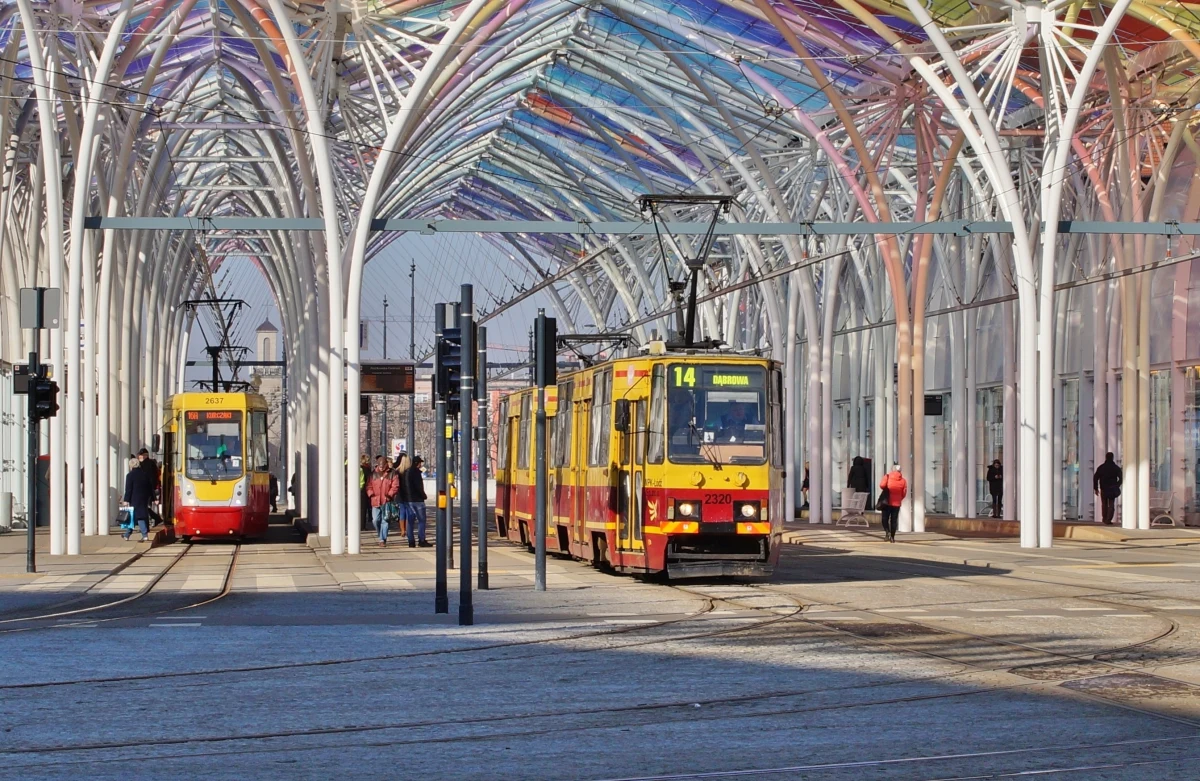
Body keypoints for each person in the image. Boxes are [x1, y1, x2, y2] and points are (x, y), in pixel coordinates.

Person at [365, 456, 398, 546]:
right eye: (380, 466)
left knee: (385, 520)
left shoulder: (392, 473)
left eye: (383, 466)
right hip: (375, 500)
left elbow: (395, 486)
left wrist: (390, 495)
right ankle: (380, 535)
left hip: (387, 501)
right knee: (375, 520)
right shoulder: (373, 474)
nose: (381, 468)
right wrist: (371, 493)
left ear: (386, 465)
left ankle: (382, 539)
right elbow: (368, 485)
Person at [123, 454, 157, 542]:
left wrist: (126, 500)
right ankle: (127, 534)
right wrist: (154, 498)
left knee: (137, 516)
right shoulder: (145, 475)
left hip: (134, 499)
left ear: (131, 466)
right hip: (144, 498)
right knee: (136, 516)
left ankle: (144, 534)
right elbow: (150, 488)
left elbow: (128, 489)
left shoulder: (130, 475)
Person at [878, 463, 908, 543]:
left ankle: (887, 532)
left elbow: (881, 485)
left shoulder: (887, 477)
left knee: (885, 519)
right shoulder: (903, 481)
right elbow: (904, 493)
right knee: (894, 520)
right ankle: (892, 537)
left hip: (886, 502)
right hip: (896, 504)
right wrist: (899, 499)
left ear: (892, 470)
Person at [406, 455, 431, 547]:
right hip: (418, 500)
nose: (421, 464)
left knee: (410, 521)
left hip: (409, 500)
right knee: (421, 520)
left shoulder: (407, 472)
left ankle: (411, 541)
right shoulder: (416, 473)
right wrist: (423, 495)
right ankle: (421, 540)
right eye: (420, 463)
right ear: (417, 463)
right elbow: (418, 486)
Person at [1094, 452, 1122, 525]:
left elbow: (1095, 477)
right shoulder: (1116, 468)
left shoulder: (1101, 467)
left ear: (1106, 457)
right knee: (1111, 504)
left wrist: (1096, 488)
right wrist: (1117, 485)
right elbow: (1121, 478)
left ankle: (1104, 518)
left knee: (1104, 504)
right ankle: (1108, 519)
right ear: (1112, 458)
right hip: (1112, 488)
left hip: (1104, 488)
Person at [392, 453, 413, 538]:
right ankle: (408, 530)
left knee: (402, 513)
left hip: (400, 495)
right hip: (408, 495)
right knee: (409, 513)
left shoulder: (397, 471)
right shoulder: (410, 472)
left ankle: (402, 530)